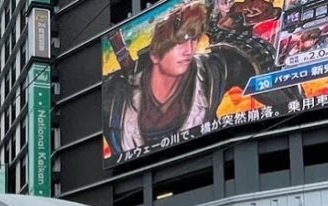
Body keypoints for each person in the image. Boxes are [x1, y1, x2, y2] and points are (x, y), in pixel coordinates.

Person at [103, 0, 300, 155]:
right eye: (180, 42)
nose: (188, 50)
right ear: (154, 56)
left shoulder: (211, 73)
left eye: (193, 41)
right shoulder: (114, 101)